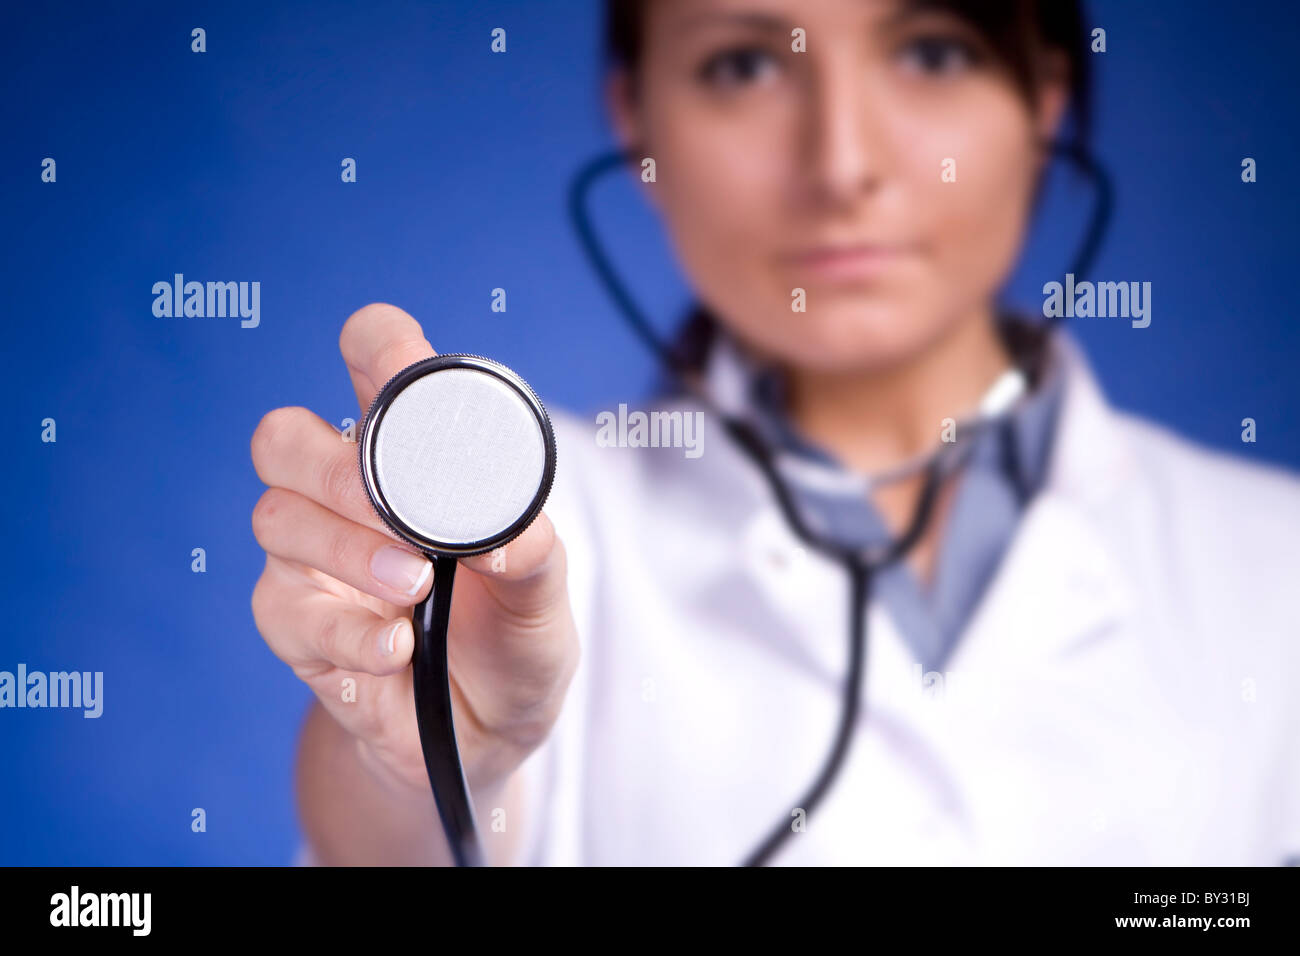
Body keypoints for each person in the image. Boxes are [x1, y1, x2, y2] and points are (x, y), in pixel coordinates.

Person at [249, 0, 1300, 865]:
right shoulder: (526, 542)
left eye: (933, 51)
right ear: (634, 118)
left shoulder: (1274, 559)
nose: (841, 162)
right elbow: (392, 842)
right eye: (744, 66)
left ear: (1046, 96)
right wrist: (423, 753)